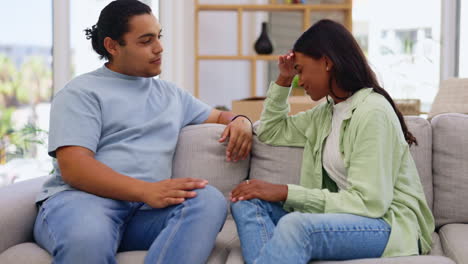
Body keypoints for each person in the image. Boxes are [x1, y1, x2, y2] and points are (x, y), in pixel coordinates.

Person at [33, 1, 253, 264]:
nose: (159, 48)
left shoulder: (172, 95)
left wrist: (241, 120)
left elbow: (219, 116)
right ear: (112, 46)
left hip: (145, 214)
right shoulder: (81, 92)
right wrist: (146, 190)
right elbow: (75, 167)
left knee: (208, 201)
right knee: (87, 240)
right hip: (83, 203)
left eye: (159, 37)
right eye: (146, 41)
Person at [230, 19, 434, 264]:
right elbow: (271, 131)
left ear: (326, 62)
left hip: (387, 223)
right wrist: (283, 80)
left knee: (297, 226)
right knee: (246, 202)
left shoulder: (372, 112)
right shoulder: (326, 112)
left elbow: (370, 203)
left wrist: (285, 192)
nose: (299, 80)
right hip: (350, 215)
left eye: (301, 70)